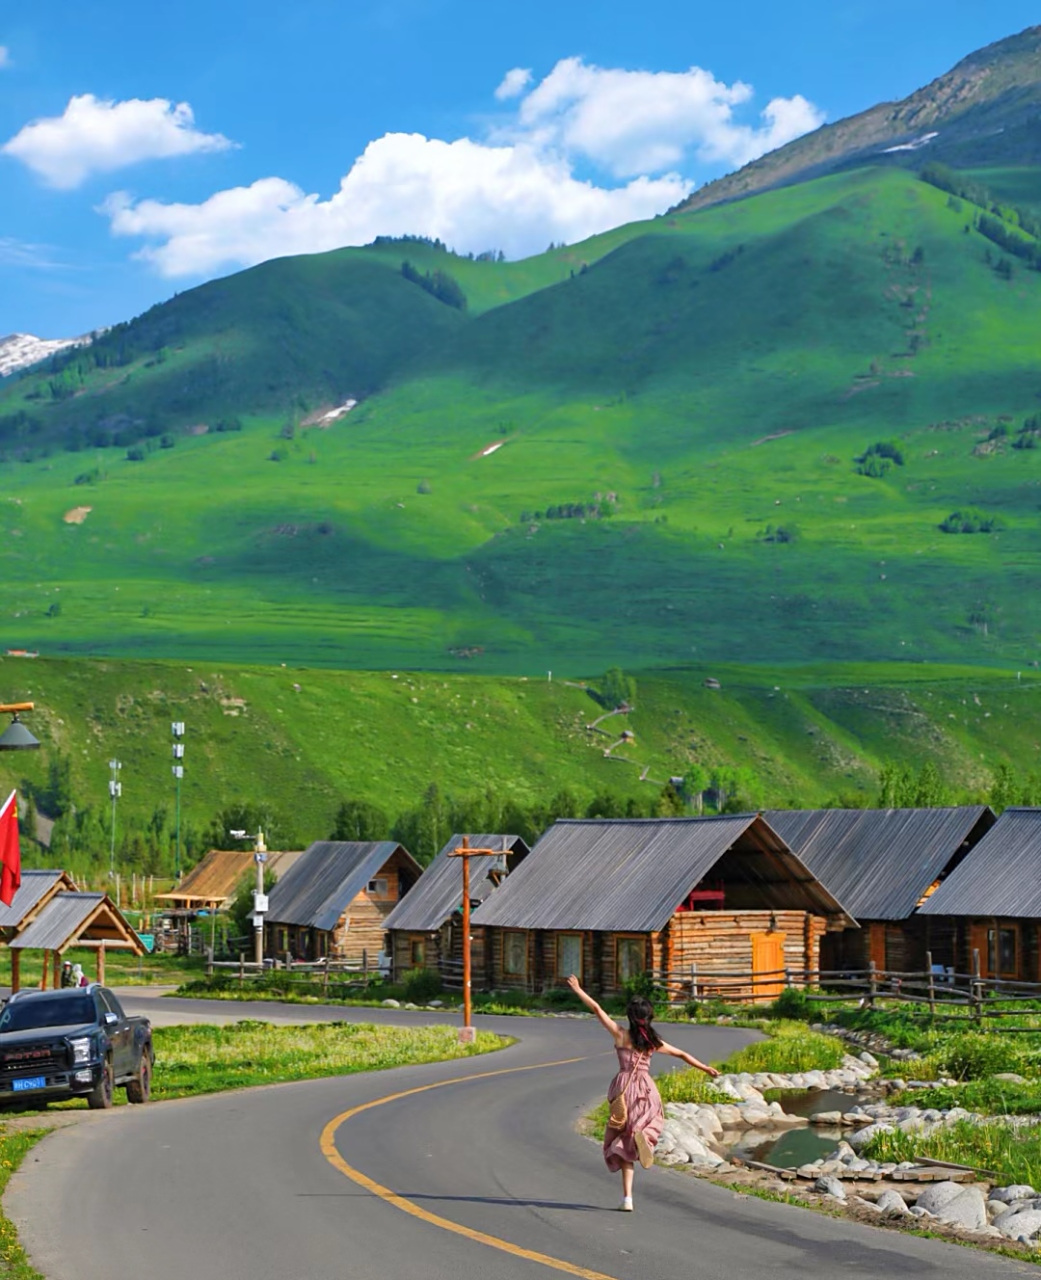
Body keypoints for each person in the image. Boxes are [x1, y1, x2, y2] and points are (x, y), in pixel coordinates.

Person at [566, 974, 719, 1212]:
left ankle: (628, 1199)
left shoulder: (620, 1034)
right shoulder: (653, 1042)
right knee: (652, 1120)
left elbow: (597, 1009)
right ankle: (645, 1137)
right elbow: (681, 1055)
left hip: (623, 1089)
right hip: (646, 1090)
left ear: (630, 1016)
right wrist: (705, 1068)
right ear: (649, 1018)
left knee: (623, 1142)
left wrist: (578, 989)